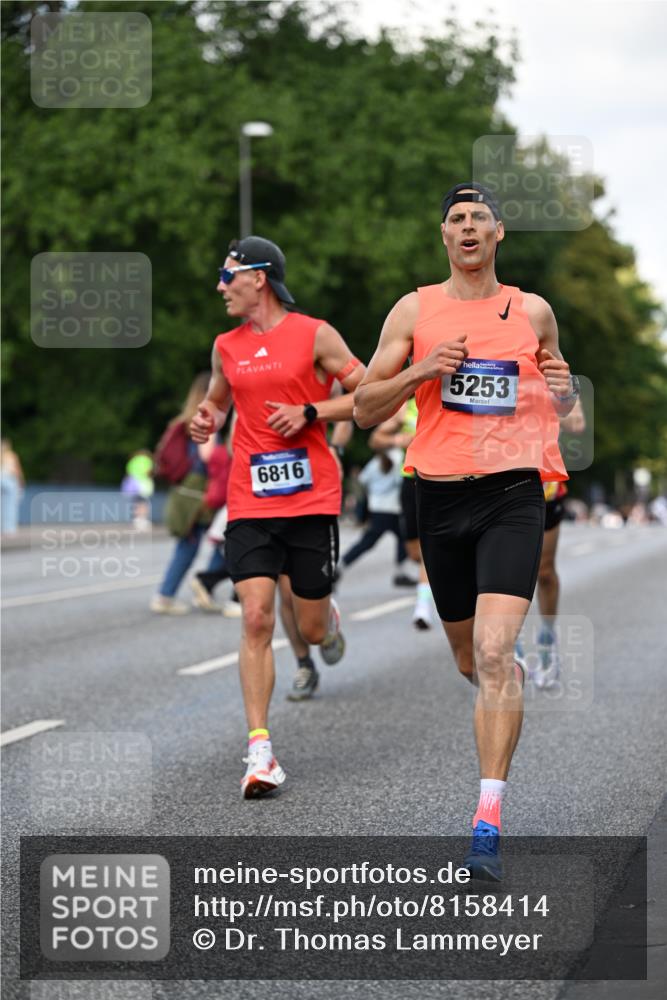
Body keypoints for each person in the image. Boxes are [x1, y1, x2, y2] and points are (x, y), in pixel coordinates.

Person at [354, 182, 577, 880]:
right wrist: (422, 370)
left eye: (479, 217)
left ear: (498, 233)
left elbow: (560, 401)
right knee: (468, 660)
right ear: (443, 235)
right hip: (440, 500)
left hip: (512, 492)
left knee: (489, 650)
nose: (468, 227)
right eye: (456, 218)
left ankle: (486, 819)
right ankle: (498, 683)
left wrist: (566, 391)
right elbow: (362, 408)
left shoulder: (532, 311)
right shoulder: (413, 309)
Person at [190, 235, 365, 798]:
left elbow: (370, 396)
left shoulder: (315, 334)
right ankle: (260, 752)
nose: (220, 285)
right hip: (250, 502)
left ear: (258, 277)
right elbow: (217, 401)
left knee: (308, 629)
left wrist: (312, 410)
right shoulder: (225, 345)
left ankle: (326, 621)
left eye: (228, 275)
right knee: (258, 617)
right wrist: (205, 418)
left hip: (311, 500)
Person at [517, 398, 586, 687]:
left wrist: (553, 398)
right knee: (502, 572)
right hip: (497, 483)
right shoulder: (489, 363)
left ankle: (547, 643)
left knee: (544, 572)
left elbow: (577, 424)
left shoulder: (549, 368)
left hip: (545, 488)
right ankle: (510, 646)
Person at [150, 373, 229, 614]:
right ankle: (173, 594)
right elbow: (208, 456)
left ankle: (183, 591)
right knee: (221, 538)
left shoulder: (184, 420)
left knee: (196, 542)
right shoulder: (206, 418)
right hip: (200, 492)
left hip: (185, 491)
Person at [368, 399, 434, 628]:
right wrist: (399, 440)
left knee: (428, 549)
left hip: (439, 481)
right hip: (411, 481)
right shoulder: (408, 407)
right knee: (414, 552)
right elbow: (375, 439)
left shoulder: (451, 397)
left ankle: (423, 607)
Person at [336, 446, 409, 580]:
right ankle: (400, 571)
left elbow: (363, 479)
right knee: (403, 537)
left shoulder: (375, 461)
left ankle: (342, 564)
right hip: (392, 507)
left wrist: (375, 490)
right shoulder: (399, 456)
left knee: (393, 538)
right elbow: (402, 480)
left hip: (376, 507)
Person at [1, 439, 24, 535]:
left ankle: (4, 528)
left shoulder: (5, 456)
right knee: (10, 506)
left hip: (4, 478)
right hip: (9, 479)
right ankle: (10, 529)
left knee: (3, 505)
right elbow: (17, 470)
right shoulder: (12, 456)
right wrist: (21, 482)